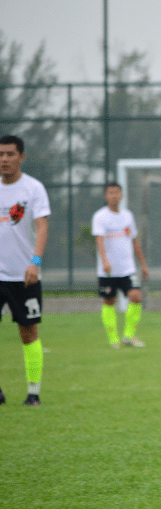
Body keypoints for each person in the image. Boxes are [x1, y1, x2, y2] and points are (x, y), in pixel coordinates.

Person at [0, 134, 50, 407]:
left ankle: (33, 392)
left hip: (25, 275)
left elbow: (42, 226)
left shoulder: (33, 189)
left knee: (28, 331)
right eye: (0, 154)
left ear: (21, 157)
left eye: (10, 154)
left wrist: (36, 262)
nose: (4, 159)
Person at [92, 182, 149, 348]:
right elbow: (99, 240)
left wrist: (143, 265)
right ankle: (113, 338)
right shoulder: (100, 216)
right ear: (105, 196)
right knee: (109, 301)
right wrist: (104, 261)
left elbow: (134, 241)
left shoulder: (127, 216)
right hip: (108, 270)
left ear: (122, 195)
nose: (114, 196)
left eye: (117, 192)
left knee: (136, 297)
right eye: (110, 193)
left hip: (127, 268)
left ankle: (129, 336)